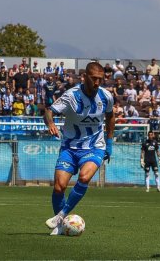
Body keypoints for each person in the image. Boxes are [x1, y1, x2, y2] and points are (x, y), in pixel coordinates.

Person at [43, 62, 115, 236]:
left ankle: (60, 216)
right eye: (94, 78)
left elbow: (111, 117)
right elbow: (48, 111)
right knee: (59, 187)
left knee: (84, 177)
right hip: (69, 147)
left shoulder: (106, 96)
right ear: (85, 77)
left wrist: (110, 142)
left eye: (100, 79)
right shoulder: (71, 96)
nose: (97, 82)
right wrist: (51, 123)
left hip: (94, 146)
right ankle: (60, 226)